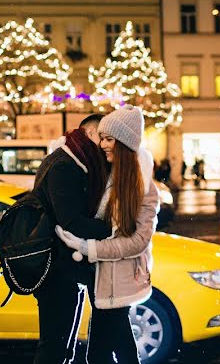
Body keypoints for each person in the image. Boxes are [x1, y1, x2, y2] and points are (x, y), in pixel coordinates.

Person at [55, 105, 156, 364]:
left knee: (102, 353)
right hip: (103, 278)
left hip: (120, 280)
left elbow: (137, 242)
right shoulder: (109, 174)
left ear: (123, 142)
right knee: (111, 351)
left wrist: (89, 247)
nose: (102, 145)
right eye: (102, 138)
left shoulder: (143, 187)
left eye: (108, 139)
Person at [31, 114, 111, 364]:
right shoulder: (64, 166)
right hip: (56, 270)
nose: (107, 145)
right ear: (89, 134)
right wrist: (113, 229)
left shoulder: (75, 160)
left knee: (62, 348)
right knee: (55, 348)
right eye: (104, 138)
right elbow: (71, 222)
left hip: (65, 267)